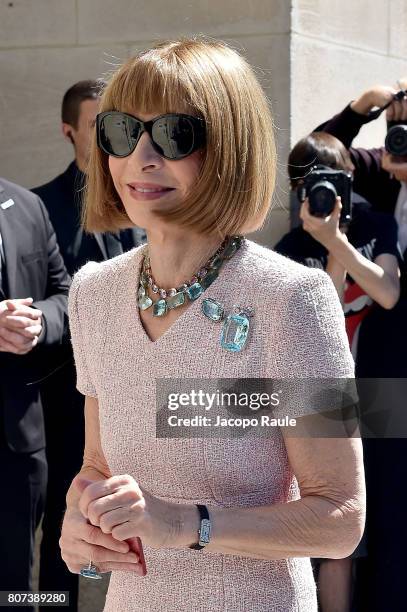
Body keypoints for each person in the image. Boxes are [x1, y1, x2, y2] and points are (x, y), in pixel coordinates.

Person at [59, 39, 365, 612]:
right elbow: (98, 467)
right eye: (122, 132)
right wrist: (81, 523)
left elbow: (340, 518)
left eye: (174, 135)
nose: (141, 158)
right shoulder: (93, 294)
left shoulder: (291, 299)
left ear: (228, 149)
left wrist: (185, 523)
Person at [31, 80, 146, 610]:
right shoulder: (41, 209)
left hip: (144, 399)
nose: (110, 139)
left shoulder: (146, 200)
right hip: (66, 402)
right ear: (68, 130)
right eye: (98, 125)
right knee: (68, 521)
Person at [274, 132, 400, 612]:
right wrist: (322, 240)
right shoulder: (288, 246)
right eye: (311, 184)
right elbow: (320, 324)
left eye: (334, 181)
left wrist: (337, 241)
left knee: (358, 532)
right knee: (327, 535)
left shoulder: (377, 224)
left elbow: (387, 292)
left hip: (377, 397)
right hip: (315, 400)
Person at [315, 87, 407, 611]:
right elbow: (323, 153)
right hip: (377, 381)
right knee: (368, 511)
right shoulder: (380, 172)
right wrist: (362, 109)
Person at [0, 178, 70, 611]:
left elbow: (65, 296)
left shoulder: (27, 206)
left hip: (19, 443)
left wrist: (39, 322)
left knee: (16, 593)